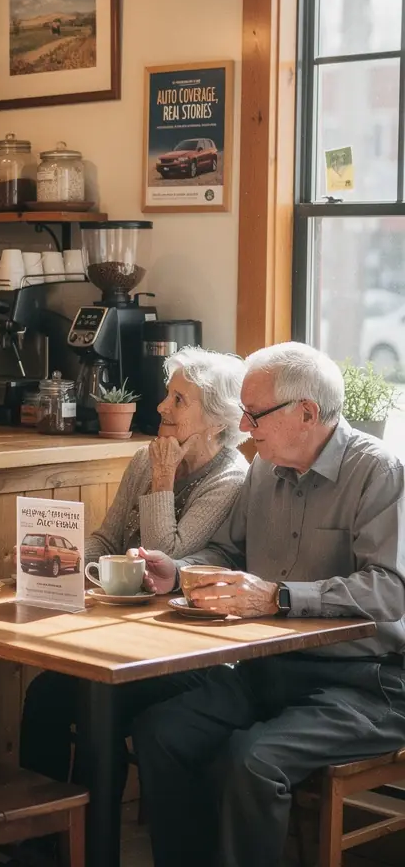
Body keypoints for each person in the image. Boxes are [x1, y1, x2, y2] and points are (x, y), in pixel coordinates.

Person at [131, 341, 405, 867]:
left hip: (368, 682)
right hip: (272, 669)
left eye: (254, 415)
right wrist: (178, 572)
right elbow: (227, 552)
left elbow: (390, 589)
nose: (246, 429)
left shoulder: (379, 471)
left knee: (253, 760)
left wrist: (279, 597)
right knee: (162, 732)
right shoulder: (263, 470)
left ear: (306, 413)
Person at [20, 346, 248, 803]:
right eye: (168, 395)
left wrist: (164, 479)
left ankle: (88, 838)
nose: (162, 406)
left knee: (97, 706)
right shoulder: (149, 458)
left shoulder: (231, 479)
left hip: (184, 652)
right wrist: (59, 563)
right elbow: (107, 538)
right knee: (45, 693)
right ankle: (38, 838)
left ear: (218, 421)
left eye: (179, 400)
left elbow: (167, 557)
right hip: (120, 635)